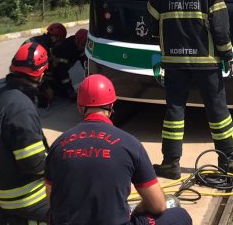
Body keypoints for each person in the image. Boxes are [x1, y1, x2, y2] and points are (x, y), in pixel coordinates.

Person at [146, 0, 233, 179]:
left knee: (174, 110)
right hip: (207, 63)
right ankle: (228, 160)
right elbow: (220, 28)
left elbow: (151, 18)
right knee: (217, 110)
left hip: (173, 62)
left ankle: (170, 163)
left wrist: (165, 42)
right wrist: (228, 55)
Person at [45, 74, 192, 225]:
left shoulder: (58, 145)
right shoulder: (130, 144)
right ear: (112, 105)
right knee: (180, 215)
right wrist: (139, 209)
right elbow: (158, 205)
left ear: (80, 107)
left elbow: (51, 200)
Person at [0, 42, 50, 224]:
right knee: (71, 205)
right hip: (20, 196)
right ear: (41, 74)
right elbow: (33, 164)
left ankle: (1, 214)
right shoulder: (22, 109)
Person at [42, 28, 88, 100]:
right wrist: (70, 90)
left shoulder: (80, 46)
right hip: (51, 71)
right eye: (82, 45)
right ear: (77, 41)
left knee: (63, 93)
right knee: (54, 95)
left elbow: (85, 64)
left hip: (61, 69)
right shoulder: (64, 49)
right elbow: (62, 72)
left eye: (84, 46)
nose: (82, 48)